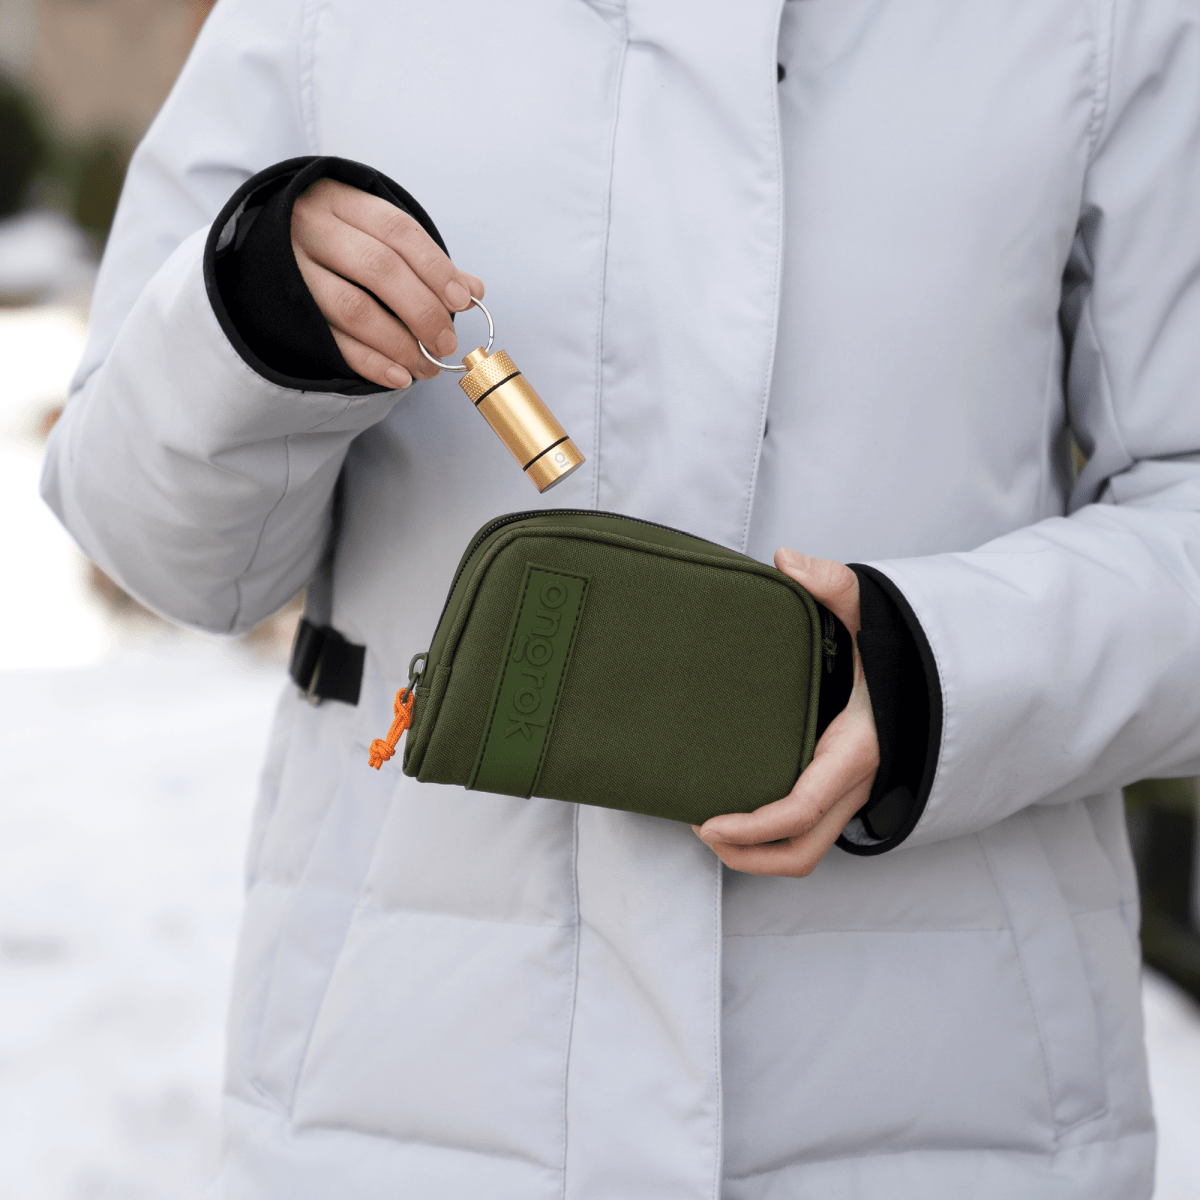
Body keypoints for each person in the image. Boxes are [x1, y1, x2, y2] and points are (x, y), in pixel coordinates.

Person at [41, 0, 1200, 1195]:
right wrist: (252, 317)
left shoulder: (1102, 20)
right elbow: (152, 542)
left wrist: (943, 673)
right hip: (412, 1095)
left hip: (948, 1104)